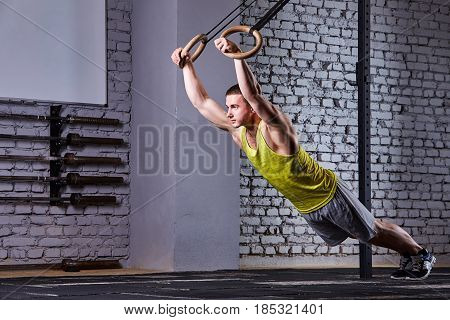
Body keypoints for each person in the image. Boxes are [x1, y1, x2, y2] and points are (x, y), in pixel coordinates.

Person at [170, 38, 436, 280]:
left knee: (372, 232)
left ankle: (420, 254)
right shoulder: (237, 131)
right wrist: (186, 66)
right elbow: (201, 102)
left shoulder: (275, 129)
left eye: (235, 106)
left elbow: (253, 94)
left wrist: (238, 55)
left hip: (328, 194)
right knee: (368, 232)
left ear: (253, 109)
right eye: (228, 107)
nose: (228, 112)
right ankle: (408, 253)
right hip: (307, 205)